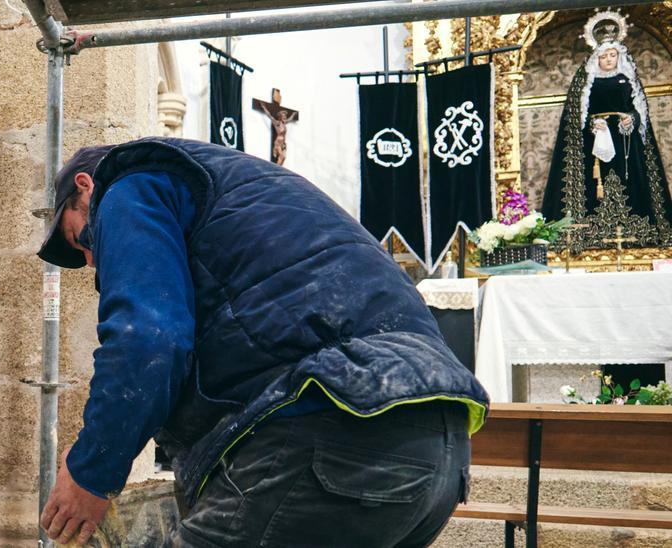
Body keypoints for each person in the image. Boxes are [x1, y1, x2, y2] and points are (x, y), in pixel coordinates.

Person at [36, 138, 488, 546]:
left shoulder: (127, 184)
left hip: (334, 427)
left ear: (85, 186)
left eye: (82, 239)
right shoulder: (250, 189)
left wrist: (91, 473)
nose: (93, 259)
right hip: (440, 448)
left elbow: (148, 338)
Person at [542, 11, 672, 249]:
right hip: (596, 141)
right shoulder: (587, 80)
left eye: (613, 55)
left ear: (618, 56)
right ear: (597, 57)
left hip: (625, 142)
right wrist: (592, 124)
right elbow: (576, 114)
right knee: (594, 185)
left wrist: (630, 119)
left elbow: (638, 110)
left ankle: (639, 233)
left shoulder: (627, 78)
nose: (609, 59)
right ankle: (592, 234)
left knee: (630, 180)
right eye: (605, 56)